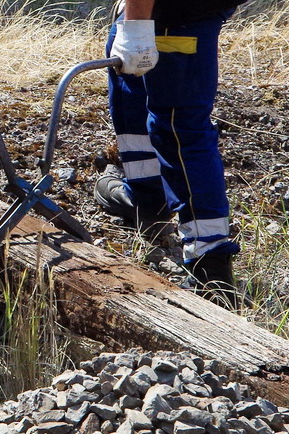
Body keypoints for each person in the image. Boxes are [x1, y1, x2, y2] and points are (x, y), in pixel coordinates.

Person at [94, 0, 247, 308]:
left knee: (181, 128)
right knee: (129, 85)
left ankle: (210, 266)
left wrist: (137, 26)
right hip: (181, 10)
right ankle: (147, 198)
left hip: (178, 13)